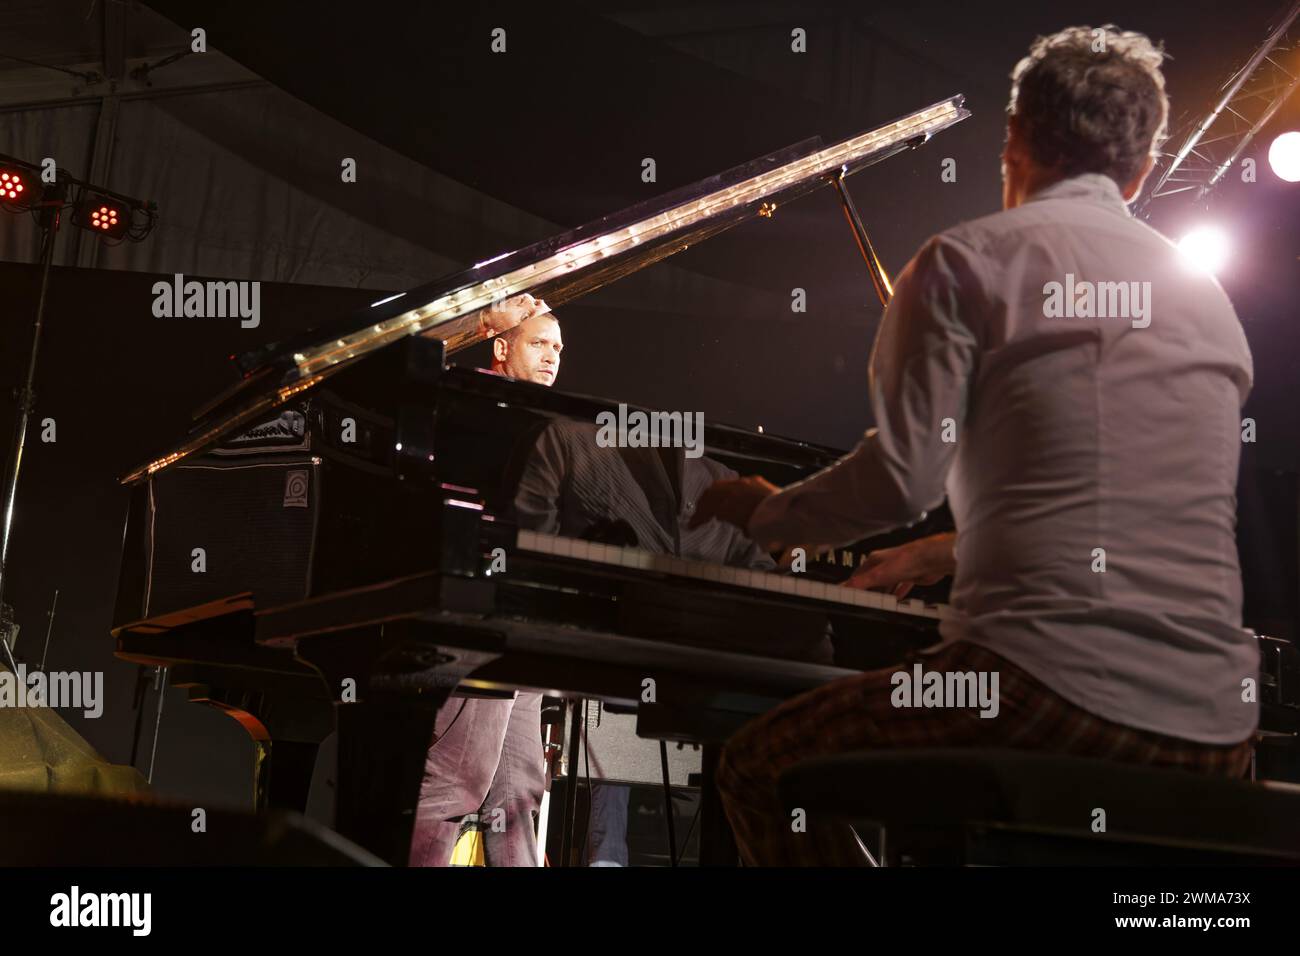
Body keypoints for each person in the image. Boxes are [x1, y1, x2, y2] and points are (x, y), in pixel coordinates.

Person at [690, 24, 1257, 866]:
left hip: (1036, 691)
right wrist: (948, 551)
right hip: (1219, 725)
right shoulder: (1206, 299)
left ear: (1015, 140)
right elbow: (1132, 507)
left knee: (756, 766)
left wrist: (769, 515)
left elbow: (896, 482)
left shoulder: (969, 262)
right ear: (1139, 172)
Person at [409, 292, 561, 867]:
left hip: (523, 612)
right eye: (539, 343)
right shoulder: (471, 400)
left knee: (520, 788)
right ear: (501, 347)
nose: (552, 356)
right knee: (457, 780)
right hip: (479, 607)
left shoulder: (543, 422)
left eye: (558, 348)